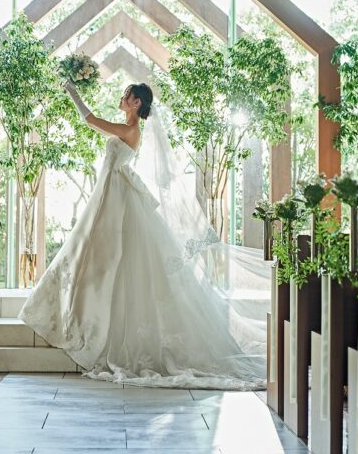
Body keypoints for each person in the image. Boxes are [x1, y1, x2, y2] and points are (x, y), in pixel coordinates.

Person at [18, 81, 269, 389]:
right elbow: (98, 129)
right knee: (95, 256)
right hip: (110, 195)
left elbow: (91, 120)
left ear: (136, 103)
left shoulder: (131, 130)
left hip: (117, 199)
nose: (122, 98)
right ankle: (83, 319)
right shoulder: (125, 128)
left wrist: (72, 92)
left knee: (111, 258)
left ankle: (97, 328)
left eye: (126, 96)